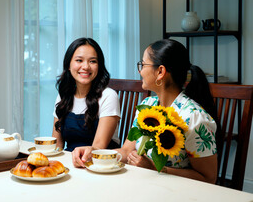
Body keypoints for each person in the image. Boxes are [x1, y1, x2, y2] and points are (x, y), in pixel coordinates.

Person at [72, 39, 218, 184]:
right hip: (144, 184)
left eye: (142, 64)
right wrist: (94, 153)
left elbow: (208, 178)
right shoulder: (147, 106)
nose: (140, 70)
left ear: (160, 71)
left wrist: (155, 168)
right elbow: (126, 151)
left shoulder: (194, 117)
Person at [52, 37, 121, 152]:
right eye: (79, 60)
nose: (85, 67)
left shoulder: (108, 96)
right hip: (70, 162)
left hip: (98, 164)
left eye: (92, 61)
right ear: (69, 65)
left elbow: (99, 147)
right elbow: (57, 144)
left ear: (99, 66)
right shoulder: (64, 95)